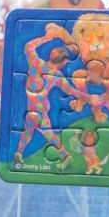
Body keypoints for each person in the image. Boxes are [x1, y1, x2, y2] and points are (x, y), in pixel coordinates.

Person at [14, 24, 78, 168]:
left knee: (34, 132)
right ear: (63, 63)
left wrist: (46, 38)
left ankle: (19, 153)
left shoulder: (36, 63)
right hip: (40, 111)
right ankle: (65, 156)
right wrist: (83, 98)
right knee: (43, 133)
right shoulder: (56, 75)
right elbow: (71, 91)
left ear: (51, 55)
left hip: (34, 111)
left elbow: (28, 46)